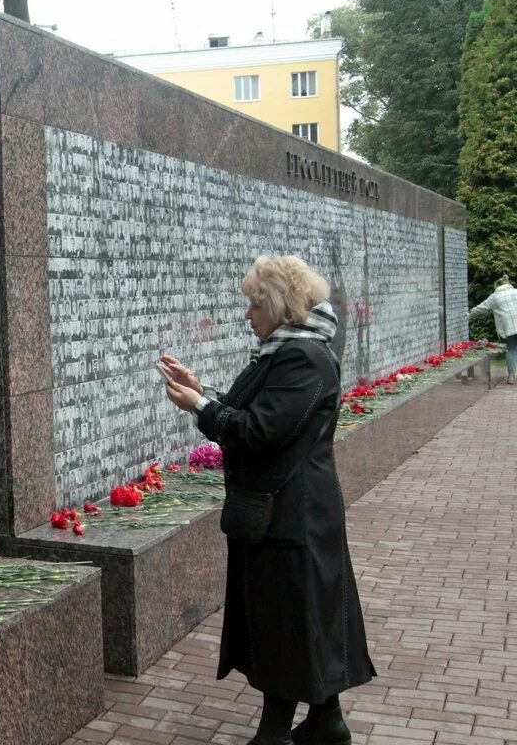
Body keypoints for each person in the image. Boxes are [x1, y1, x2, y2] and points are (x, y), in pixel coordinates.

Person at [160, 255, 374, 745]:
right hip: (284, 512)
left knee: (288, 620)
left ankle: (273, 734)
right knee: (302, 615)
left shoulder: (303, 358)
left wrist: (200, 407)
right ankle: (327, 721)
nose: (247, 314)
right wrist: (202, 391)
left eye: (254, 304)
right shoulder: (280, 353)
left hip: (294, 516)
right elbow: (247, 413)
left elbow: (259, 431)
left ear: (278, 305)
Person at [469, 275, 517, 384]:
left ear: (498, 286)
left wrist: (469, 314)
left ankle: (511, 376)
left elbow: (482, 308)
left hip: (508, 326)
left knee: (512, 349)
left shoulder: (494, 296)